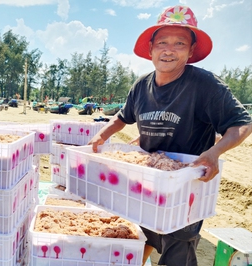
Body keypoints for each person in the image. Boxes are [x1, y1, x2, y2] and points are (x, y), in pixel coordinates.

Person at [88, 5, 252, 266]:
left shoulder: (205, 85)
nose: (169, 49)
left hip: (184, 187)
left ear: (190, 52)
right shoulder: (141, 86)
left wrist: (214, 152)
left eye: (179, 43)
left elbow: (242, 124)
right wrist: (100, 136)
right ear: (151, 48)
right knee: (144, 233)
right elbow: (122, 117)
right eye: (163, 42)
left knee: (177, 247)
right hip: (147, 180)